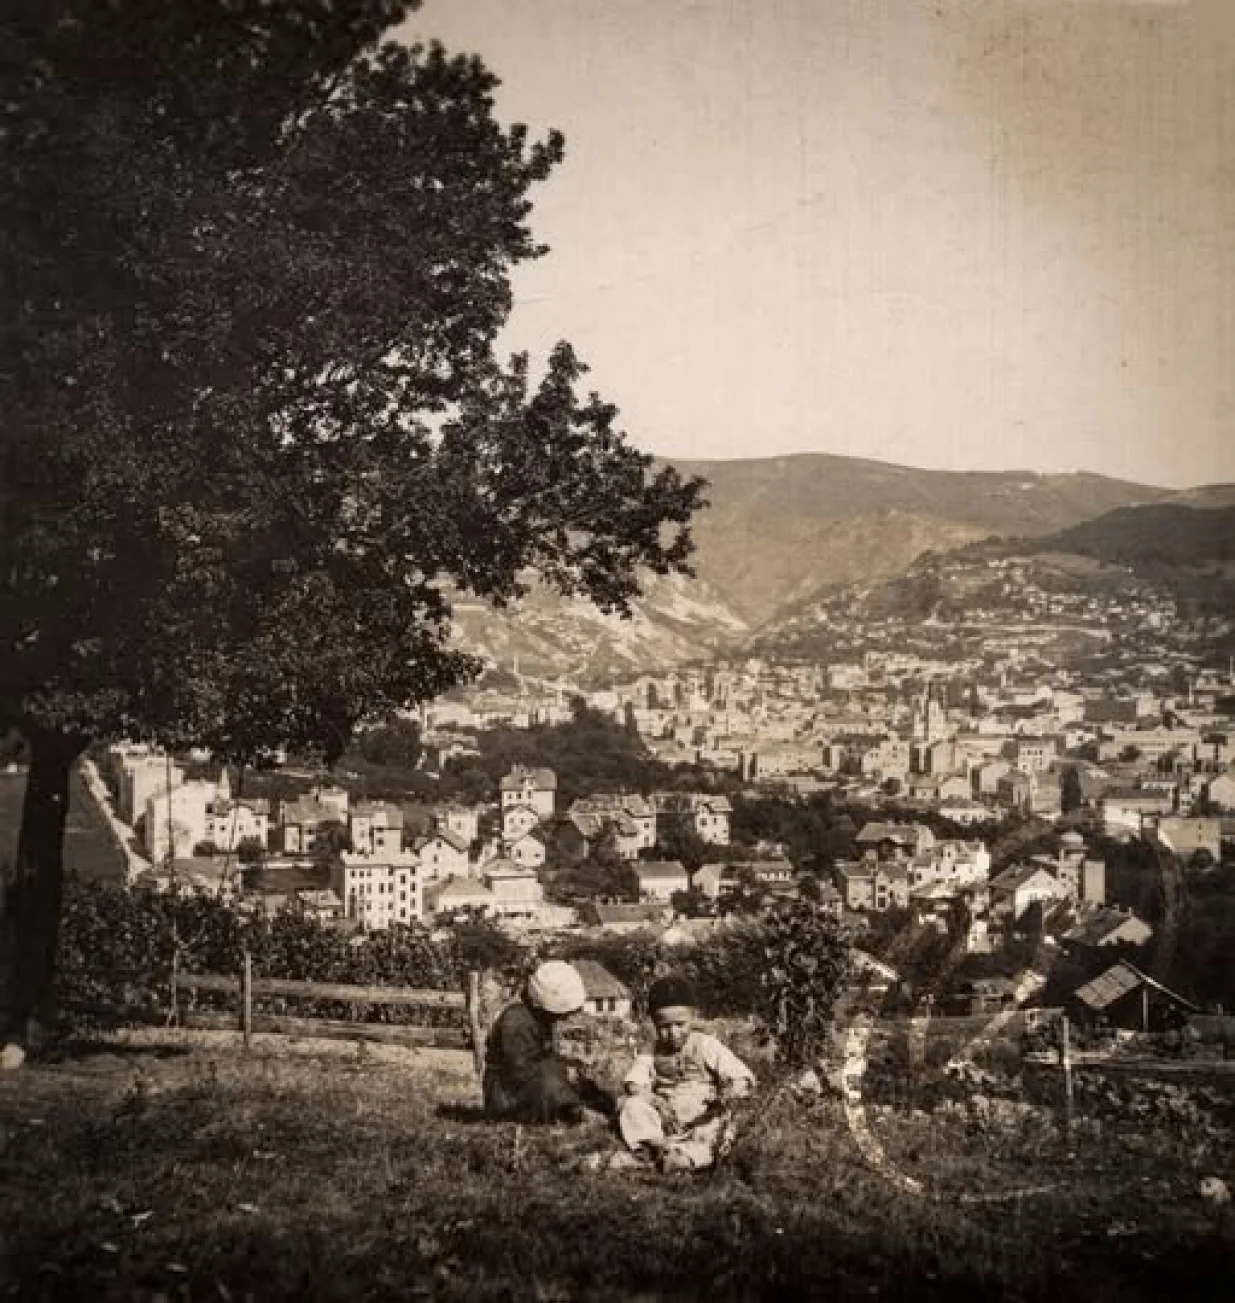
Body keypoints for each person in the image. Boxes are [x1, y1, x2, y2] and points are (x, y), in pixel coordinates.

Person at [617, 974, 755, 1172]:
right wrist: (655, 1101)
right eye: (664, 1027)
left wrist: (727, 1094)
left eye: (680, 1024)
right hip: (666, 1118)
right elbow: (633, 1082)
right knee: (632, 1106)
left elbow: (741, 1076)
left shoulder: (705, 1045)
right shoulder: (652, 1050)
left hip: (703, 1116)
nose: (673, 1033)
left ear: (693, 1017)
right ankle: (659, 1147)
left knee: (719, 1129)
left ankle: (684, 1158)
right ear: (654, 1024)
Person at [482, 960, 601, 1125]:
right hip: (506, 1096)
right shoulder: (518, 1020)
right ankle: (572, 1114)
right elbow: (521, 1071)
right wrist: (562, 1076)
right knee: (551, 1078)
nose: (565, 1017)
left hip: (520, 1087)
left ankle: (582, 1108)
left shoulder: (535, 1016)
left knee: (572, 1078)